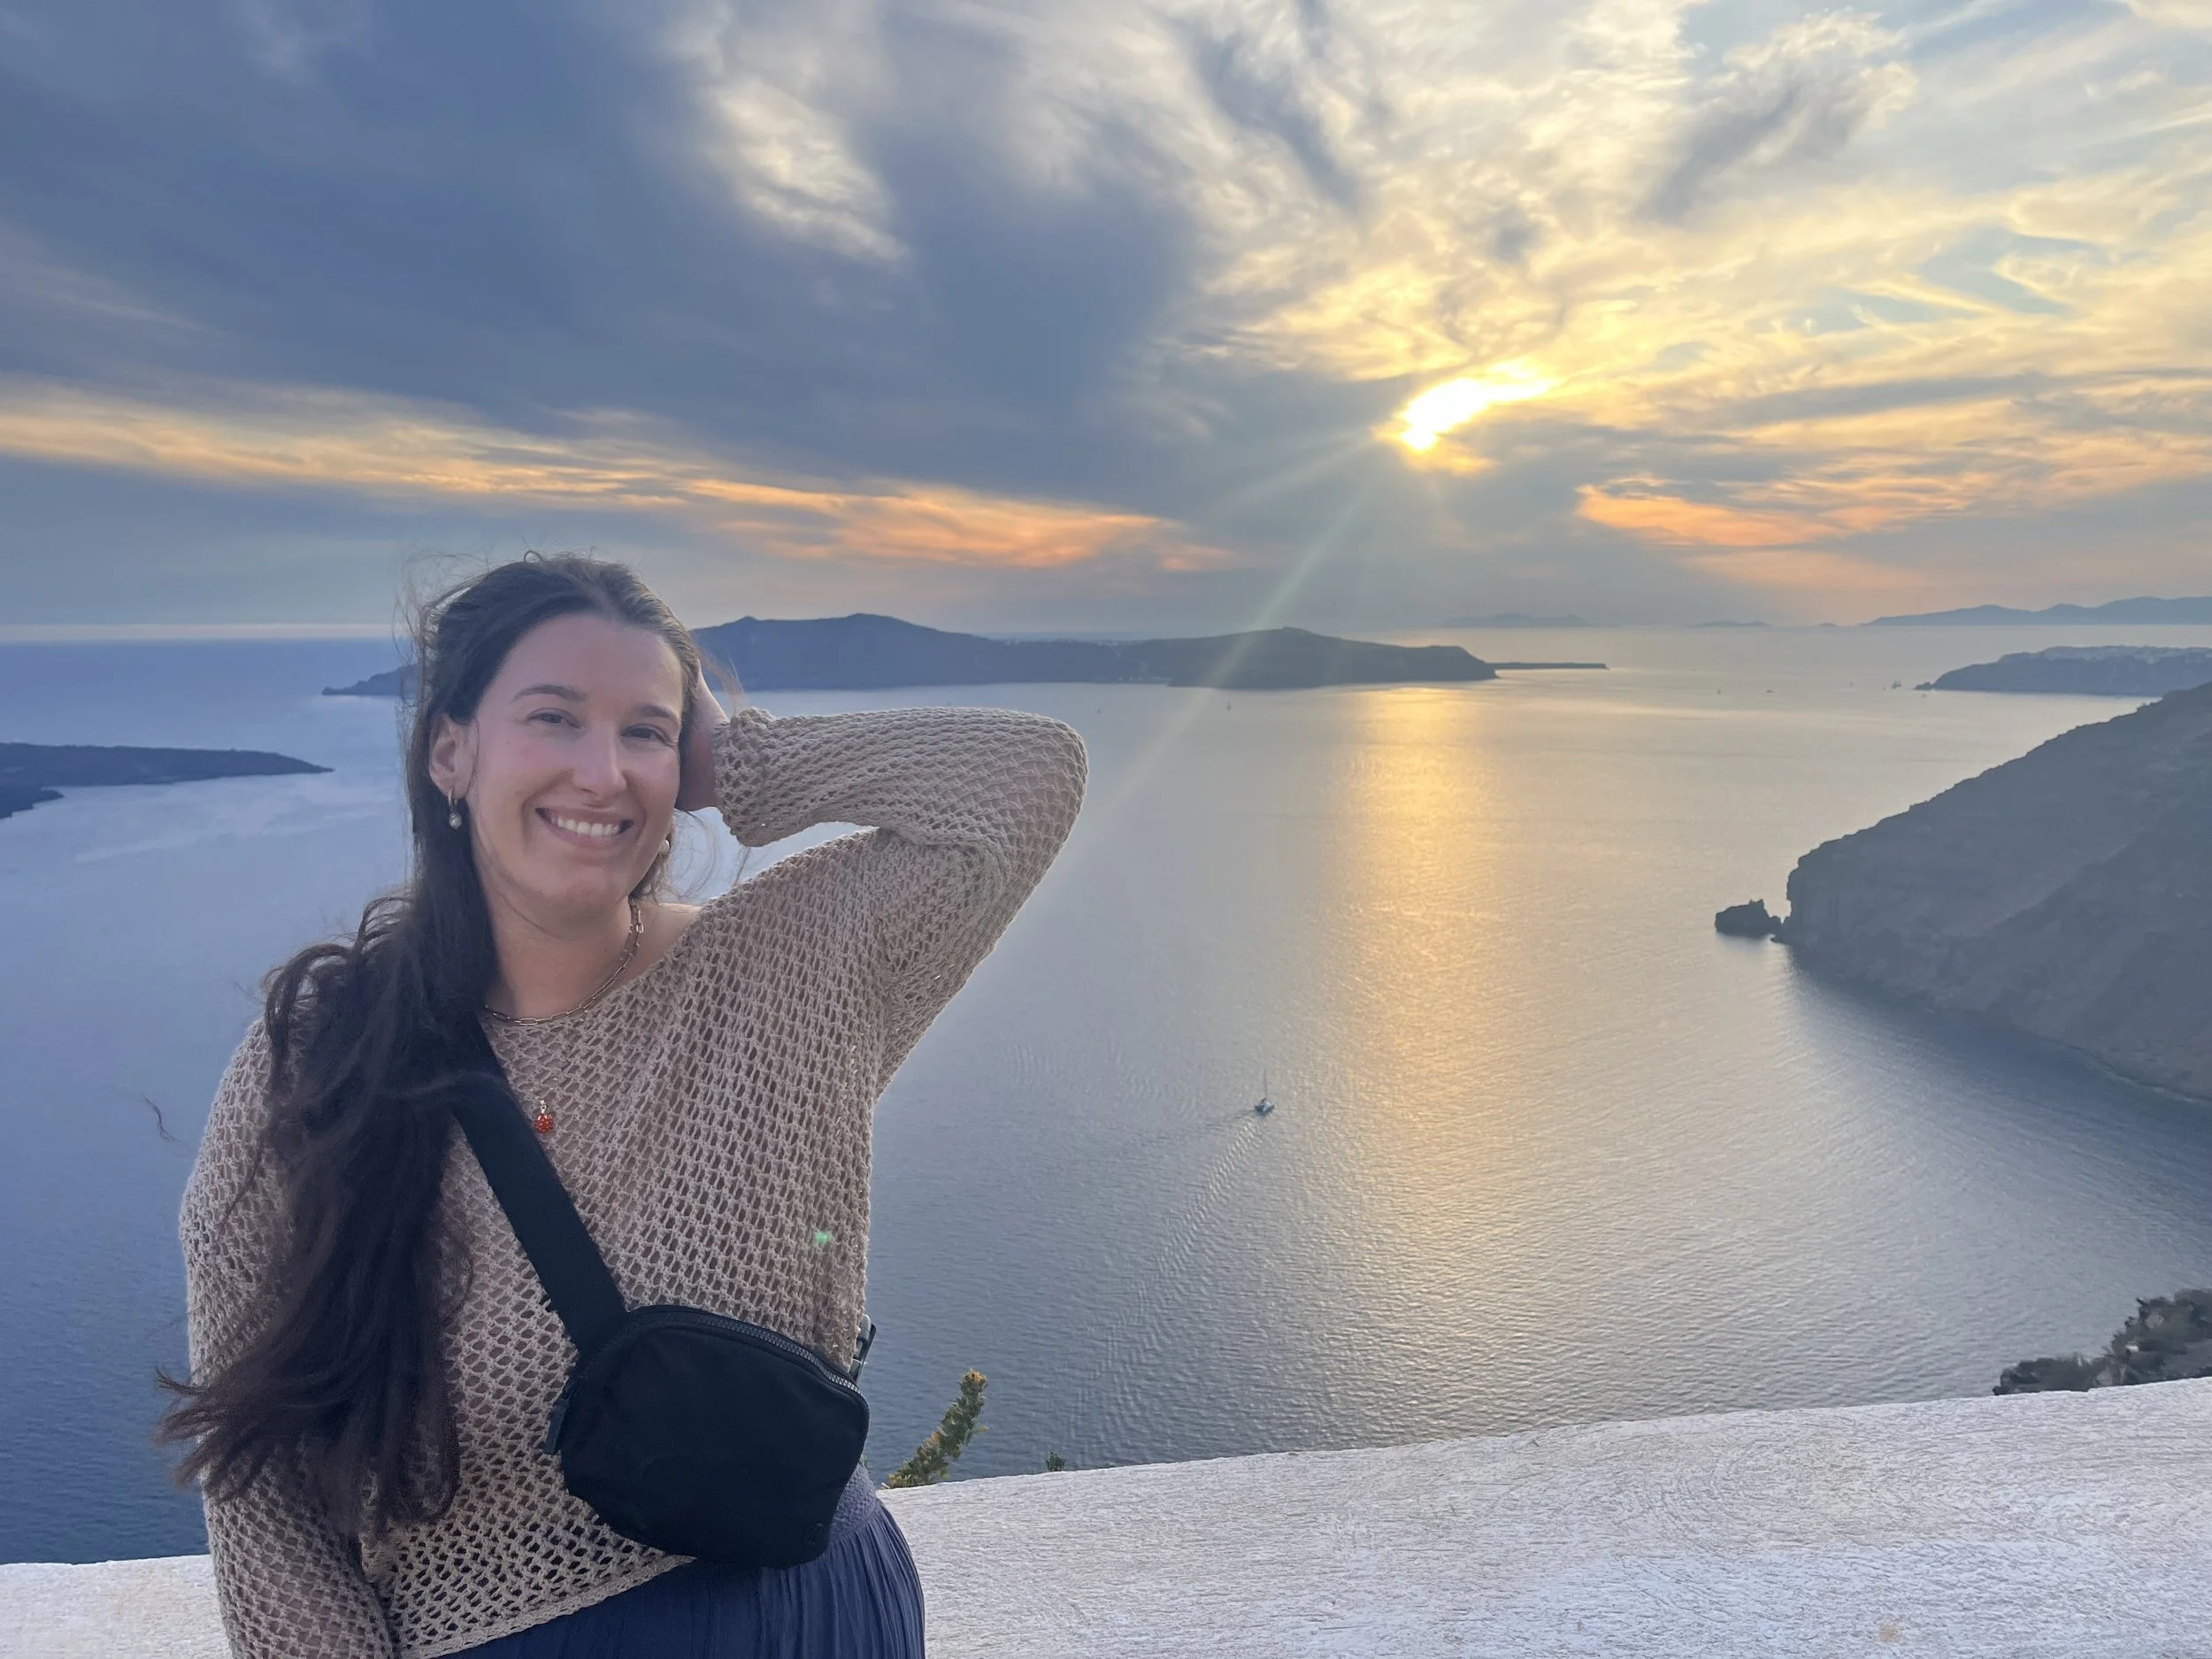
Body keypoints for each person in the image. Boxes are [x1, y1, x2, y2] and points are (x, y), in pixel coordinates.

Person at [159, 554, 1087, 1657]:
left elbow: (1026, 776)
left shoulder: (791, 971)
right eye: (554, 718)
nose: (602, 774)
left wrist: (737, 757)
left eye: (643, 732)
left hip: (822, 1613)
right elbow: (260, 1481)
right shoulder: (319, 1062)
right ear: (450, 751)